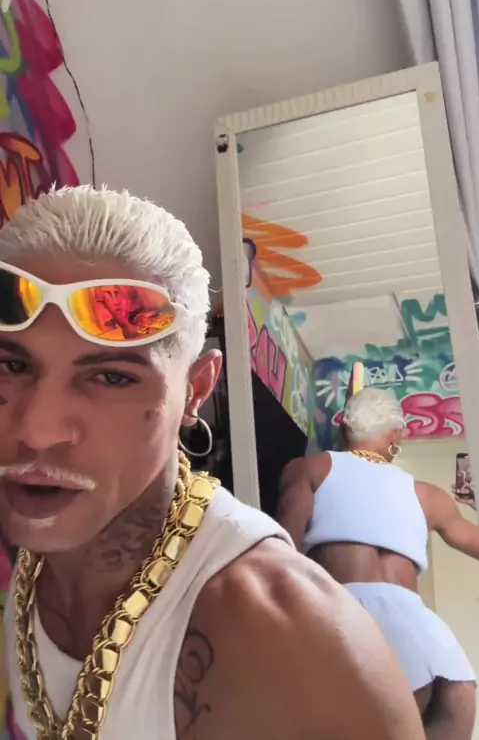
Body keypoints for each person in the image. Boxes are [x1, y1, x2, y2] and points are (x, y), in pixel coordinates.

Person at [0, 186, 424, 740]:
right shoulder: (33, 543)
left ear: (196, 389)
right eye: (10, 365)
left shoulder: (289, 640)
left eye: (111, 377)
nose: (35, 431)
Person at [277, 387, 478, 740]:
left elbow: (282, 551)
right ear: (395, 435)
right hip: (426, 637)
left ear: (345, 428)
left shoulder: (311, 468)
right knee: (456, 700)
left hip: (350, 615)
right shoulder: (427, 495)